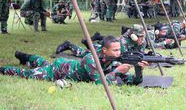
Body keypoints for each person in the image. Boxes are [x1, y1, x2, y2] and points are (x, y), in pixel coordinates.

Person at [0, 36, 148, 85]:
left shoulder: (114, 61)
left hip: (63, 66)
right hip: (58, 71)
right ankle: (3, 69)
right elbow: (99, 82)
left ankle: (24, 56)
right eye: (115, 50)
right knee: (27, 74)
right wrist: (116, 71)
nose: (118, 53)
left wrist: (138, 69)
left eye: (119, 50)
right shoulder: (91, 59)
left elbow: (132, 81)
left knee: (43, 62)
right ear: (104, 50)